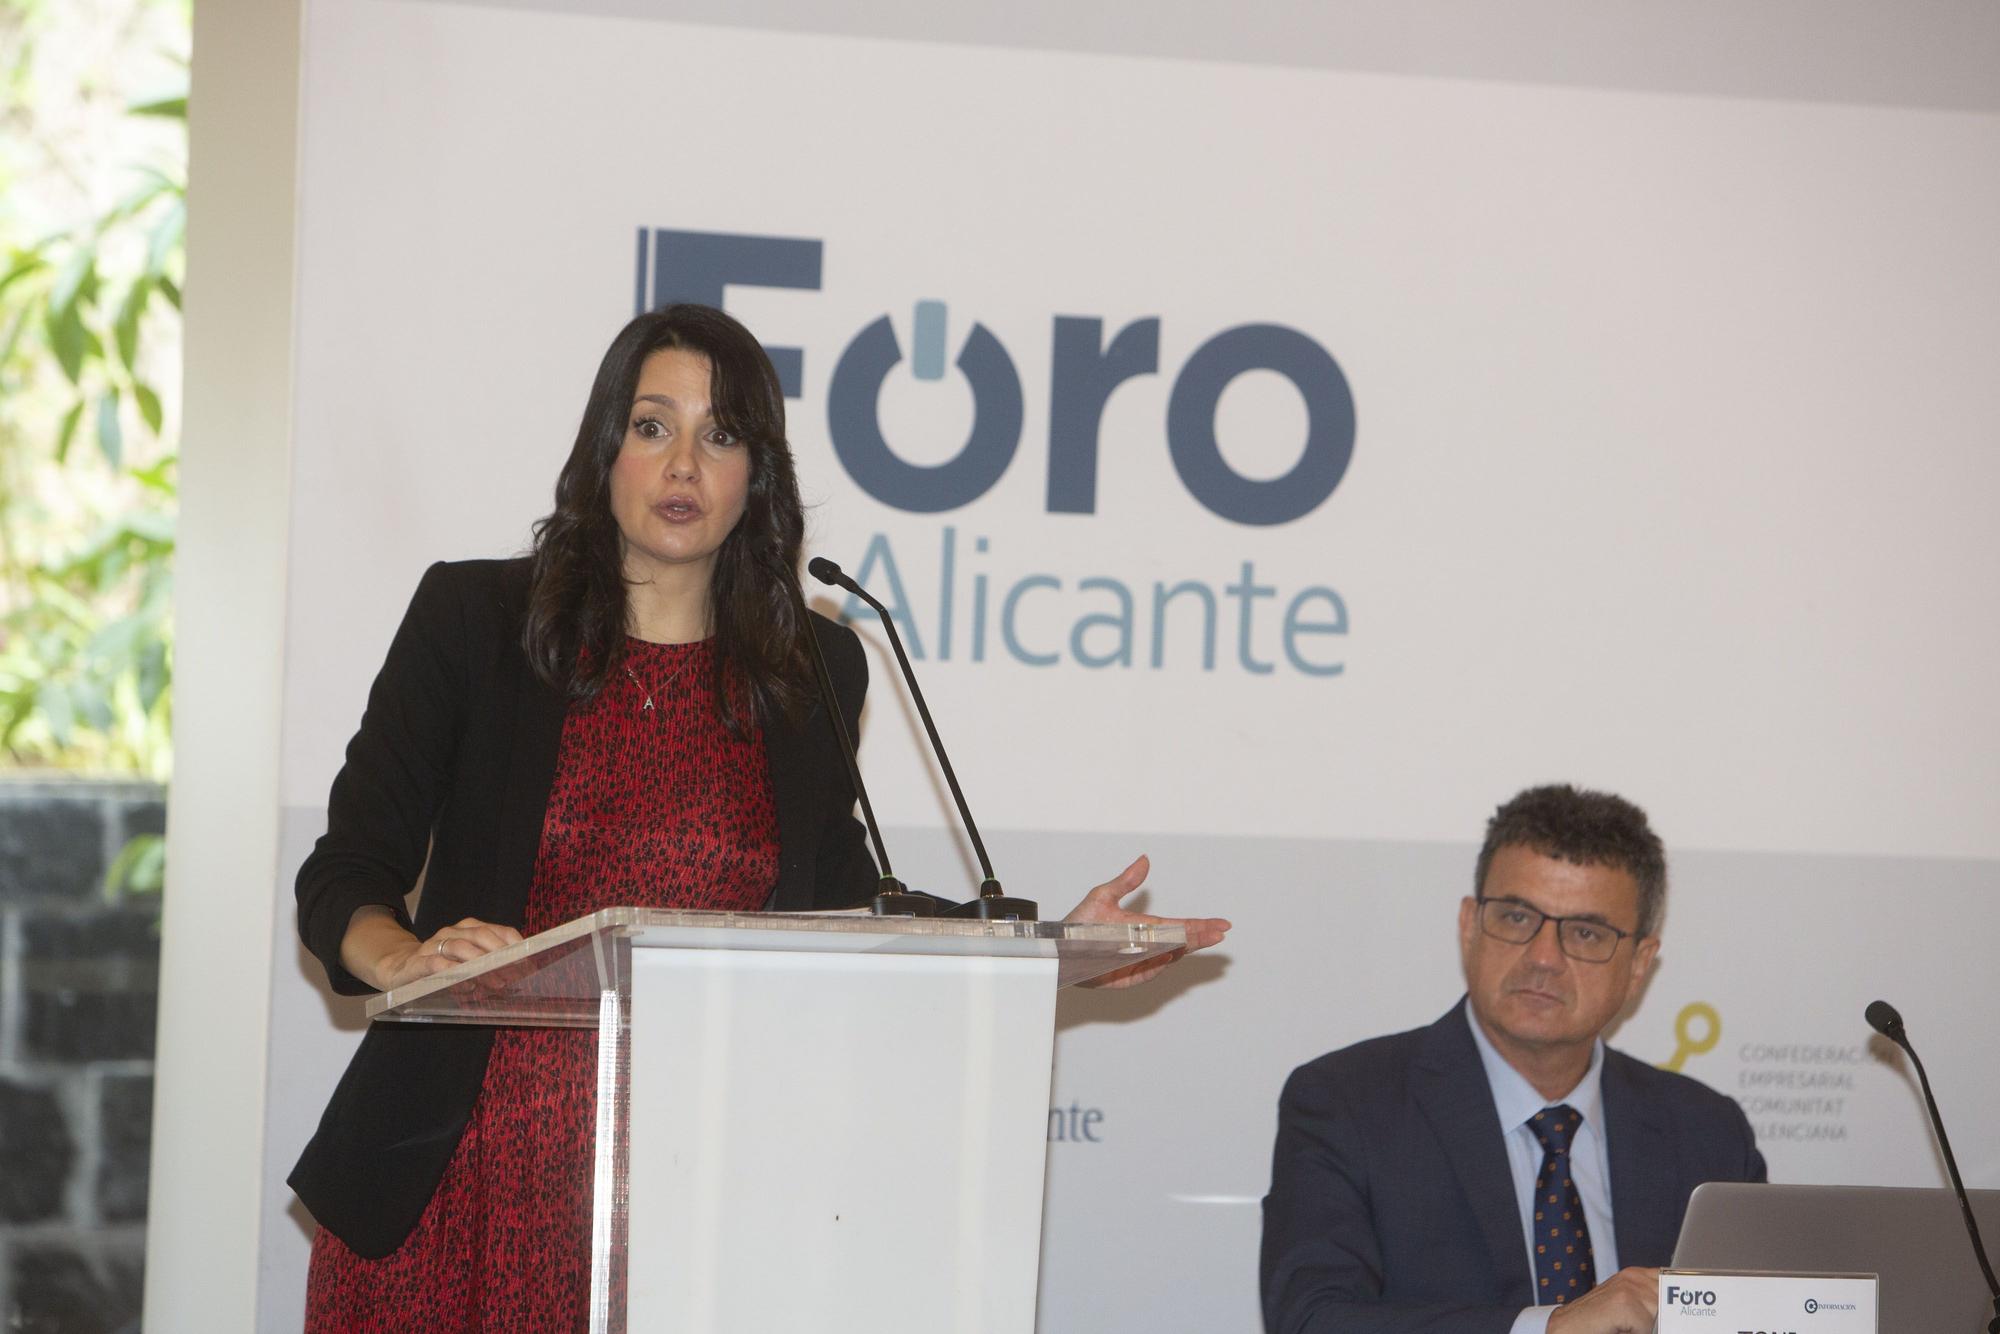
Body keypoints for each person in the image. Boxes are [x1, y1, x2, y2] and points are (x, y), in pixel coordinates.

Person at [289, 304, 1230, 1330]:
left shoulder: (809, 673)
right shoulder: (474, 624)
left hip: (706, 1196)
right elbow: (345, 871)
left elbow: (848, 914)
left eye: (721, 434)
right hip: (465, 1178)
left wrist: (1047, 945)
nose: (683, 462)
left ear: (756, 476)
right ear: (606, 448)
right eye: (652, 426)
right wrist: (403, 959)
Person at [1260, 784, 1764, 1334]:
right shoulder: (1348, 1103)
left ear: (1640, 963)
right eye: (1517, 918)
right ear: (1469, 924)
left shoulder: (1707, 1133)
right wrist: (1548, 1328)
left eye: (1587, 932)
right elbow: (1312, 1319)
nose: (1544, 958)